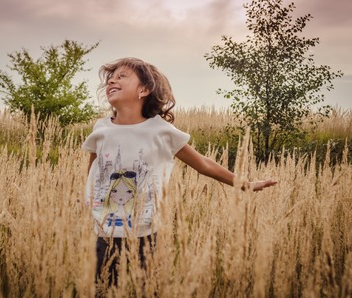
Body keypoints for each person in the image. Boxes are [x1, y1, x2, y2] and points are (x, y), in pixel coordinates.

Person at [81, 57, 277, 291]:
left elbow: (203, 163)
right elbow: (94, 167)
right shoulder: (102, 128)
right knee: (103, 290)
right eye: (110, 78)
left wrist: (244, 184)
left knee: (148, 290)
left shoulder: (160, 130)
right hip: (106, 231)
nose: (112, 80)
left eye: (122, 76)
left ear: (144, 90)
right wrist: (88, 196)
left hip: (145, 232)